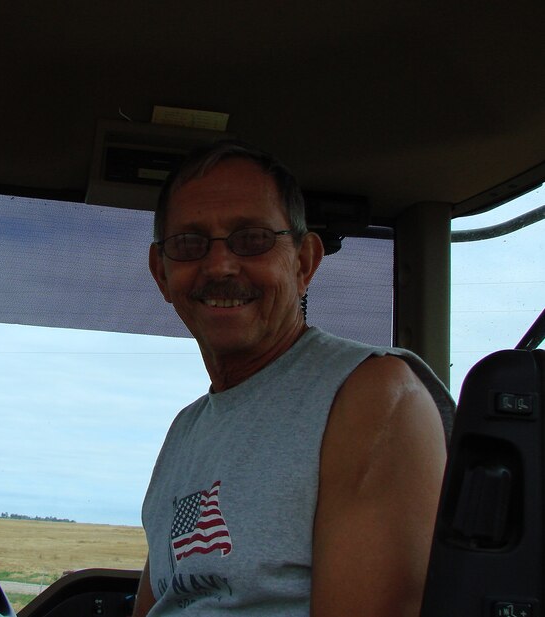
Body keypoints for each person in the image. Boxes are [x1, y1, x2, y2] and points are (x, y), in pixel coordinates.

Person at [132, 141, 454, 617]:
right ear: (162, 273)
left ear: (304, 262)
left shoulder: (375, 397)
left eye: (253, 238)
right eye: (189, 244)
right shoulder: (185, 431)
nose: (220, 265)